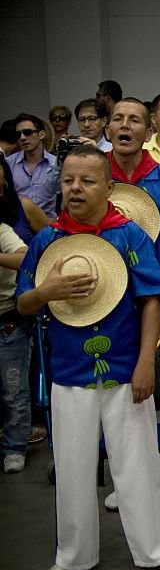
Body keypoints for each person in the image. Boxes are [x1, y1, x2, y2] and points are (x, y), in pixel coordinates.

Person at [16, 144, 160, 570]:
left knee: (138, 465)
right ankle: (72, 556)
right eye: (69, 180)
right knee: (72, 467)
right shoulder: (47, 241)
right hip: (69, 373)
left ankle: (159, 551)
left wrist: (147, 361)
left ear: (109, 187)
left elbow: (151, 300)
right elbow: (22, 304)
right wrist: (47, 288)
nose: (75, 188)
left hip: (126, 367)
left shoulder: (129, 235)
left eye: (87, 181)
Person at [101, 98, 160, 513]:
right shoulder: (92, 174)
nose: (126, 126)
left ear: (150, 130)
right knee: (114, 391)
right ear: (107, 128)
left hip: (154, 299)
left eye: (135, 120)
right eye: (118, 119)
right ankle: (125, 481)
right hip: (102, 302)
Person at [0, 181, 29, 473]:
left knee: (13, 389)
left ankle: (14, 447)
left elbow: (24, 256)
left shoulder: (1, 230)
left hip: (6, 320)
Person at [8, 113, 58, 218]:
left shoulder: (56, 164)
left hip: (47, 224)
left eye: (27, 132)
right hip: (18, 224)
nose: (22, 138)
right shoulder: (8, 163)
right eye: (18, 134)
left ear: (41, 134)